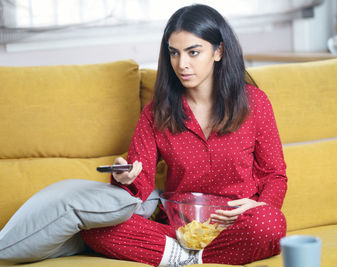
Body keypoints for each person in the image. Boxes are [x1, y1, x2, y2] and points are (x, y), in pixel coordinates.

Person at [80, 4, 287, 267]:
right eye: (174, 53)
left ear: (218, 51)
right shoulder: (156, 113)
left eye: (193, 52)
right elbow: (138, 187)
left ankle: (184, 260)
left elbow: (275, 175)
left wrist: (261, 207)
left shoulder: (254, 103)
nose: (182, 64)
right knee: (94, 227)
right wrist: (124, 177)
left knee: (270, 224)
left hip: (237, 226)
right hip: (178, 232)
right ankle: (192, 257)